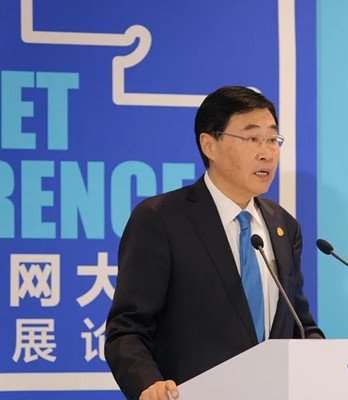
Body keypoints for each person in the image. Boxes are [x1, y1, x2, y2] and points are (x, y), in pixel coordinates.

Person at [105, 86, 324, 400]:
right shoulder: (161, 219)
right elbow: (127, 329)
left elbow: (299, 325)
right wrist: (147, 384)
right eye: (252, 138)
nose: (267, 153)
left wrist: (325, 361)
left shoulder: (283, 226)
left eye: (272, 139)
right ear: (209, 145)